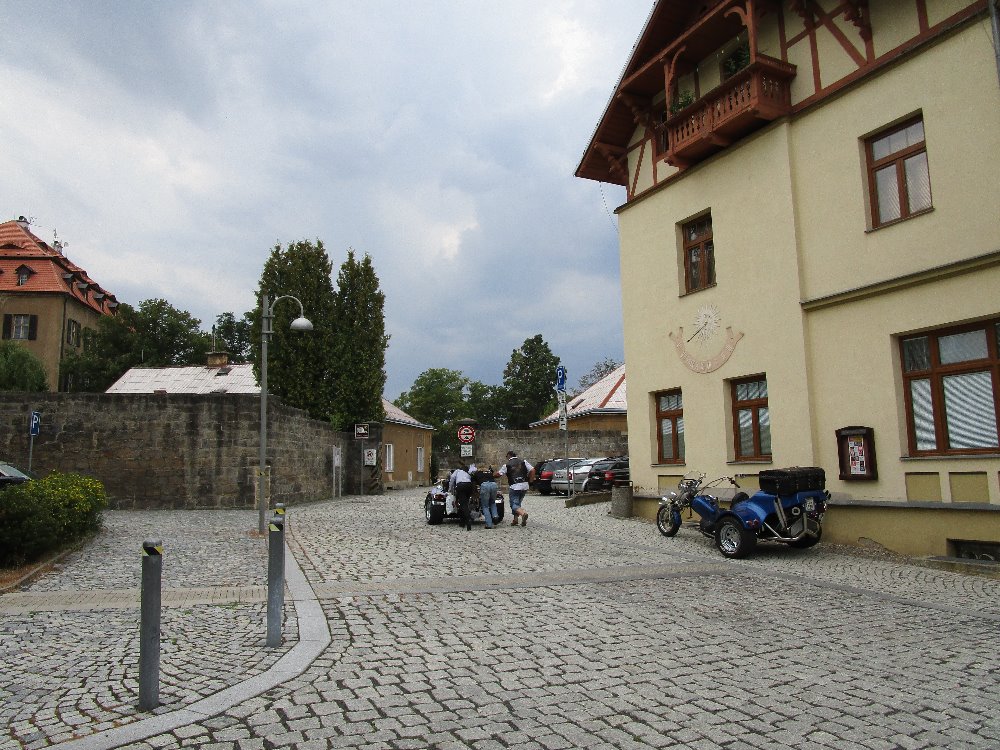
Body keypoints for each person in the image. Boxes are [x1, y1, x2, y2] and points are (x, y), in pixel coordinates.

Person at [498, 450, 534, 526]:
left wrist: (492, 475)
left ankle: (523, 514)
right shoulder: (524, 462)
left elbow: (499, 474)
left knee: (513, 504)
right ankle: (515, 520)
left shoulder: (506, 465)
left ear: (508, 455)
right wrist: (530, 481)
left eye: (506, 457)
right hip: (524, 485)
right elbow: (532, 470)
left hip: (515, 486)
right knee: (518, 503)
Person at [448, 464, 475, 531]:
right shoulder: (467, 473)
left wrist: (450, 489)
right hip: (469, 486)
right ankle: (462, 521)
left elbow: (452, 478)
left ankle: (468, 519)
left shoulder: (457, 471)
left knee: (463, 504)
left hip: (461, 486)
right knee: (465, 504)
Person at [472, 464, 499, 529]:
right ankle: (495, 516)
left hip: (484, 486)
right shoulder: (489, 472)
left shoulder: (476, 473)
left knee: (485, 506)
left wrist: (475, 493)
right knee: (492, 502)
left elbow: (474, 484)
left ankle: (489, 524)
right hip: (494, 485)